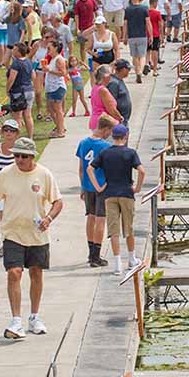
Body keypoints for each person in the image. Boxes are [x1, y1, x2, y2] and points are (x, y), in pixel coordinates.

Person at [0, 137, 62, 339]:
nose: (19, 159)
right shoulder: (5, 174)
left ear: (32, 156)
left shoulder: (44, 174)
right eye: (16, 155)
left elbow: (57, 202)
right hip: (12, 232)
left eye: (23, 156)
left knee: (36, 273)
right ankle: (16, 320)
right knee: (14, 273)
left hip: (37, 234)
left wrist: (49, 218)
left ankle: (34, 316)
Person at [87, 123, 145, 274]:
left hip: (109, 194)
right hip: (126, 193)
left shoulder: (105, 153)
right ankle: (132, 259)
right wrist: (137, 188)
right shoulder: (130, 153)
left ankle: (117, 264)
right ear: (125, 137)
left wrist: (99, 188)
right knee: (128, 228)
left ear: (113, 137)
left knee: (114, 231)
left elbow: (90, 169)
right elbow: (142, 171)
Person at [77, 115, 114, 268]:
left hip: (87, 186)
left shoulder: (83, 142)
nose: (110, 135)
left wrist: (82, 186)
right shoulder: (105, 147)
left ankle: (90, 251)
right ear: (105, 129)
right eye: (109, 131)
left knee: (90, 218)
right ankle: (96, 256)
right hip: (101, 187)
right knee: (100, 220)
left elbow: (81, 169)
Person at [6, 44, 35, 139]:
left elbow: (12, 78)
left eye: (14, 49)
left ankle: (17, 138)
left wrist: (8, 89)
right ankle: (30, 137)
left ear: (18, 52)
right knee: (28, 115)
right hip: (29, 90)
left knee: (17, 116)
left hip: (18, 91)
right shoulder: (29, 62)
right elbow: (33, 76)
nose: (13, 51)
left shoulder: (16, 63)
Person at [43, 37, 68, 138]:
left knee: (57, 109)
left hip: (57, 87)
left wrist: (49, 70)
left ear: (56, 48)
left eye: (49, 47)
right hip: (51, 87)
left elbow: (63, 73)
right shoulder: (52, 59)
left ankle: (60, 131)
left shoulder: (59, 59)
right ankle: (60, 126)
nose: (47, 49)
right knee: (50, 109)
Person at [124, 0, 150, 82]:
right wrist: (150, 35)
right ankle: (140, 72)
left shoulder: (127, 10)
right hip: (142, 35)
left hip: (132, 36)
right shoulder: (144, 9)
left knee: (134, 56)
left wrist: (124, 36)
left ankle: (137, 72)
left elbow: (125, 24)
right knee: (142, 56)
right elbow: (148, 23)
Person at [108, 59, 133, 126]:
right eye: (128, 69)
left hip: (123, 119)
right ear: (122, 69)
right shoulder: (114, 83)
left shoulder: (119, 80)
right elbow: (111, 103)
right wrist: (118, 117)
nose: (129, 71)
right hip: (118, 120)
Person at [147, 0, 164, 76]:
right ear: (154, 3)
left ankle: (147, 64)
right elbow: (160, 25)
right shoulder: (157, 13)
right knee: (155, 51)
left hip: (146, 34)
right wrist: (162, 36)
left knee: (147, 51)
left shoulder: (146, 12)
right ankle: (154, 69)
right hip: (155, 34)